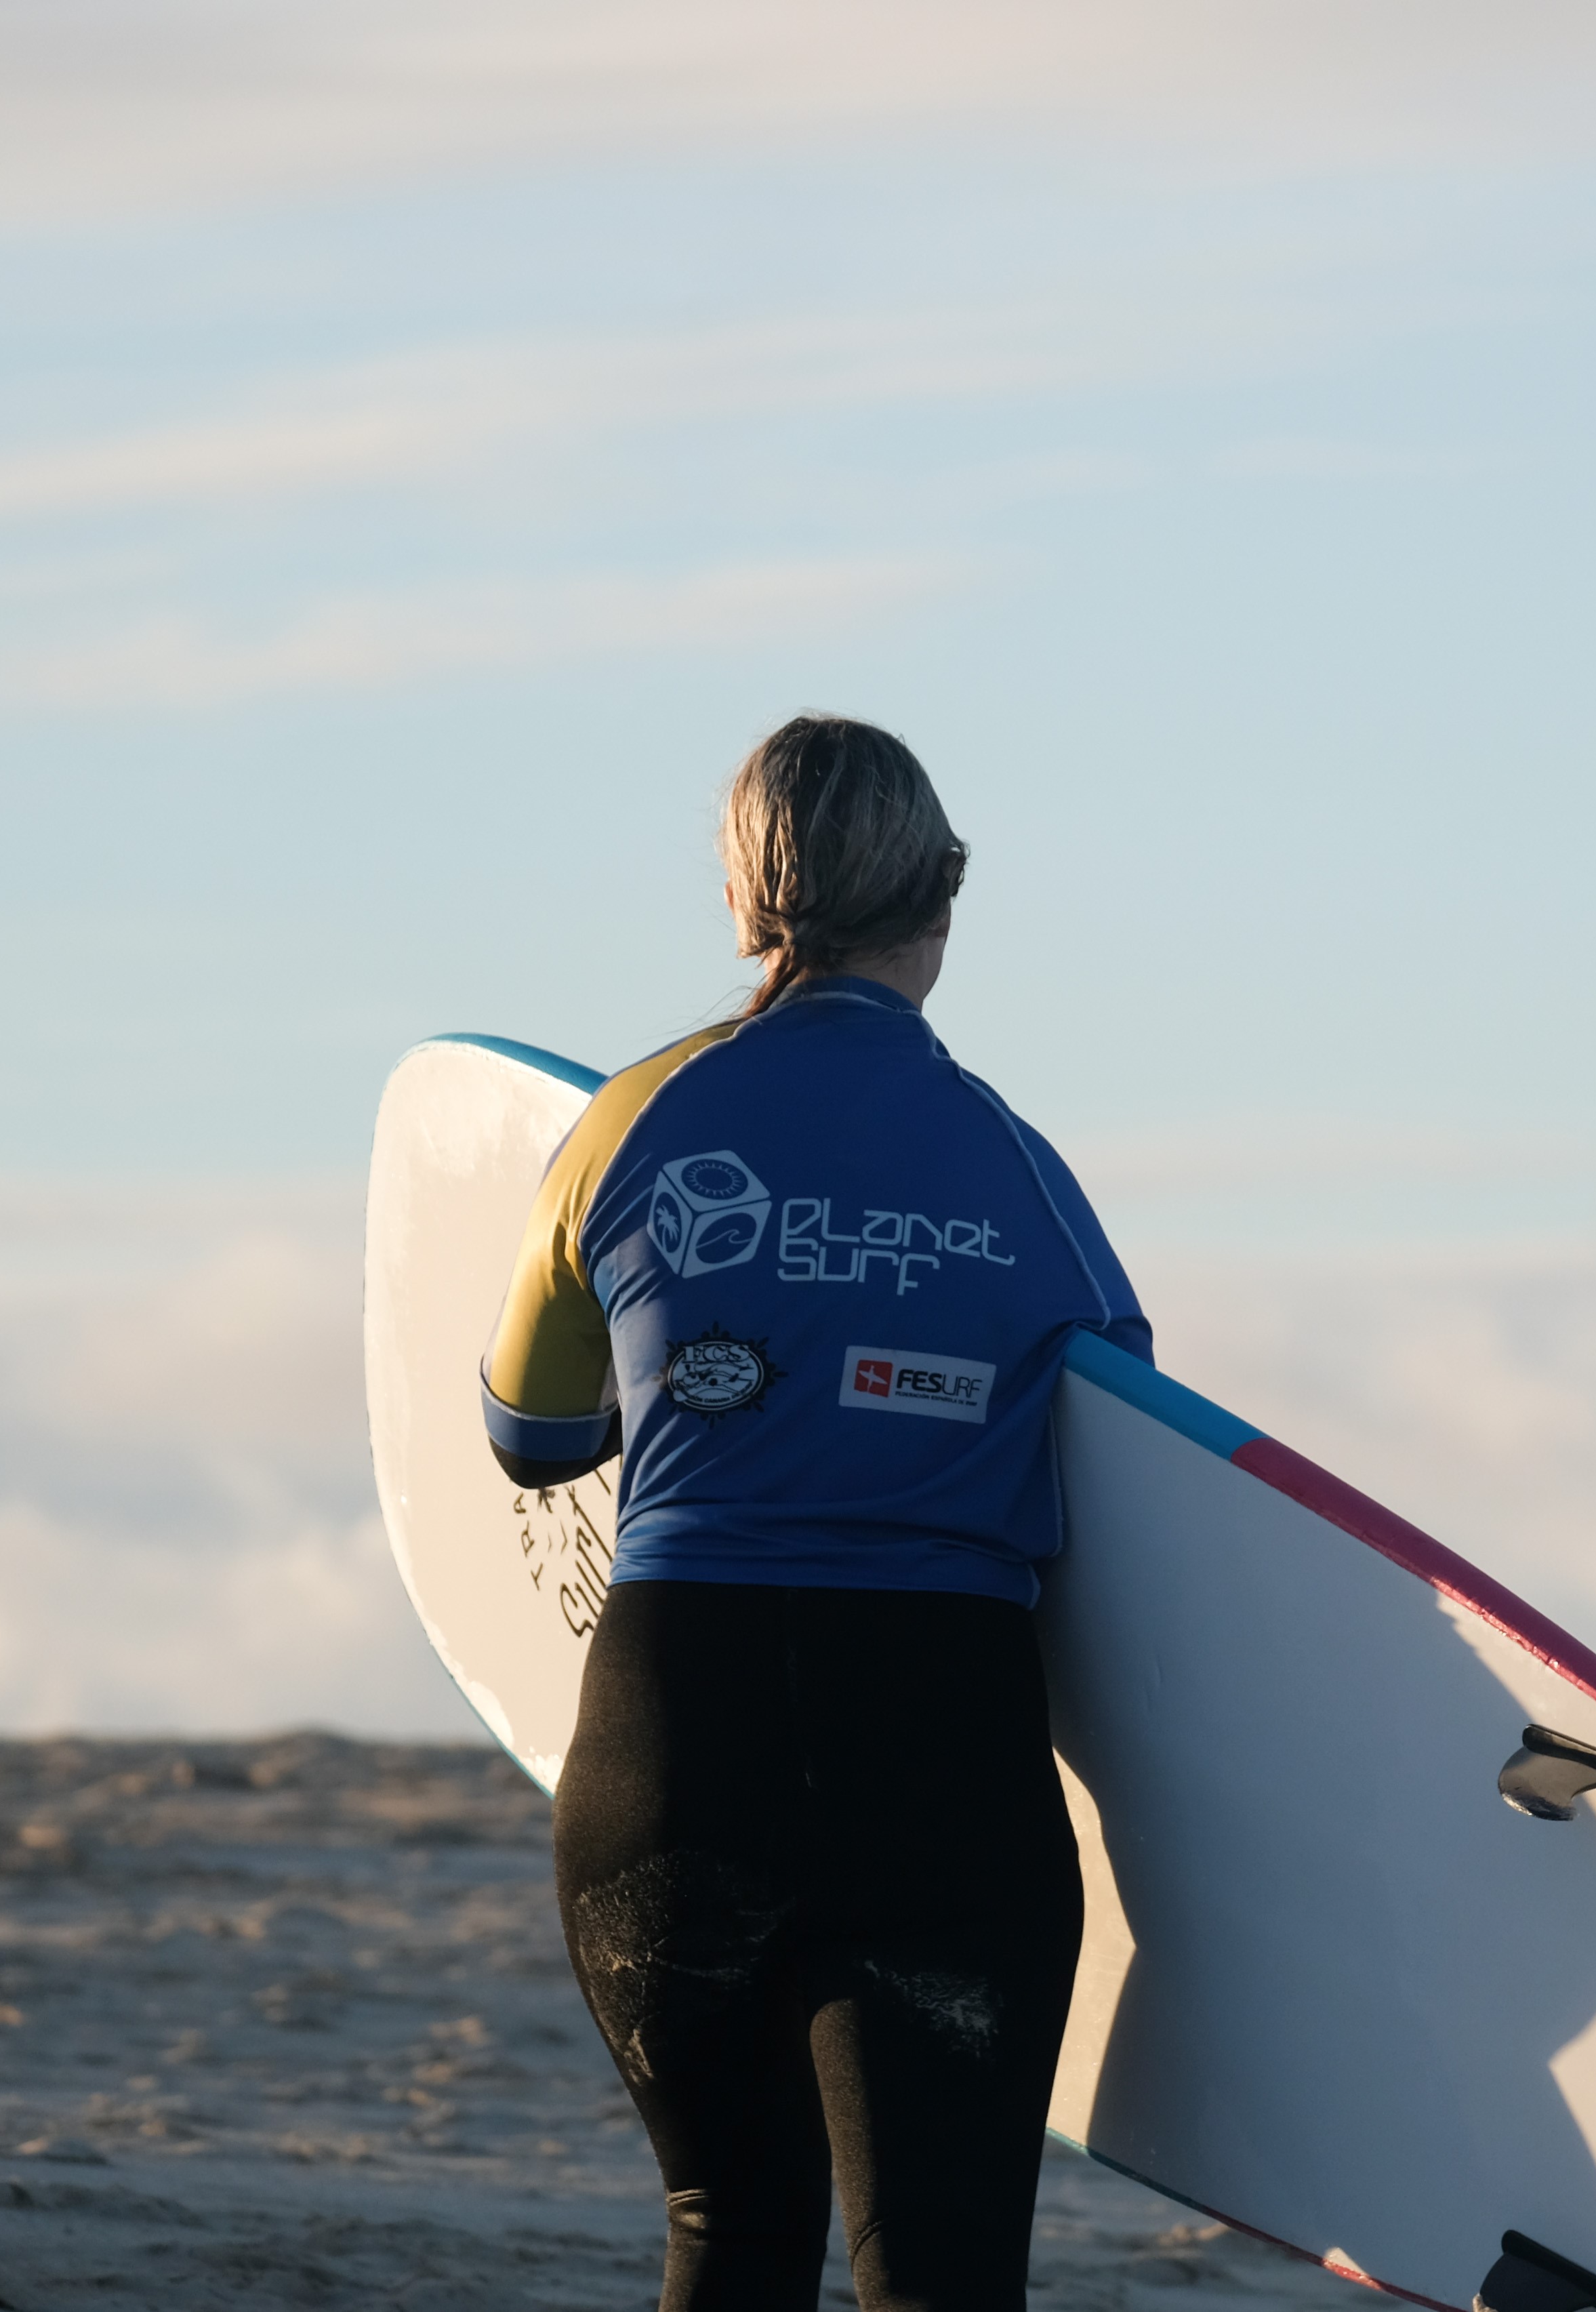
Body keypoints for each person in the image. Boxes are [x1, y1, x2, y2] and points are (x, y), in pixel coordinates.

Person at [480, 715, 1152, 2312]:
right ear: (941, 906)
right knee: (935, 2278)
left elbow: (527, 1433)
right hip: (937, 1745)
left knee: (726, 2223)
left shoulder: (627, 1123)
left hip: (670, 1735)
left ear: (741, 907)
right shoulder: (1024, 1173)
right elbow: (1132, 1491)